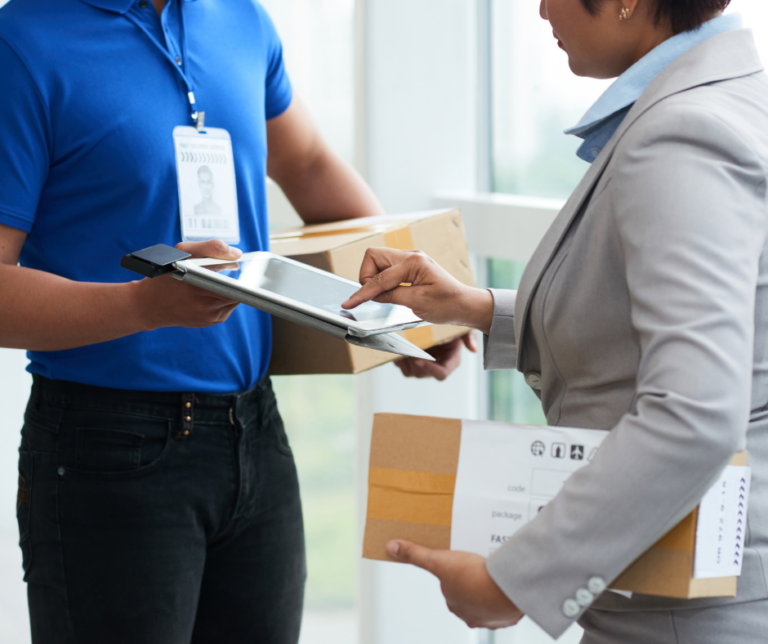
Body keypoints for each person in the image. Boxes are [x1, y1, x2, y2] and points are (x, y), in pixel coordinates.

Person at [0, 0, 470, 642]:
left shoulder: (242, 19)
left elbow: (308, 166)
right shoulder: (22, 43)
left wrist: (399, 313)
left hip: (255, 430)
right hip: (106, 447)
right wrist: (145, 305)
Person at [343, 0, 768, 641]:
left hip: (688, 608)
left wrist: (512, 581)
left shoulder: (679, 135)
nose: (540, 9)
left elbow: (696, 412)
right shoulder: (736, 97)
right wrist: (477, 309)